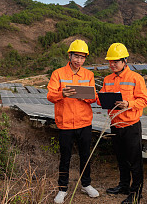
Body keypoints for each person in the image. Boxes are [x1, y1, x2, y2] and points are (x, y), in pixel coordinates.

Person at [47, 39, 99, 204]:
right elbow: (50, 96)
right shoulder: (58, 74)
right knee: (65, 157)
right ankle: (62, 189)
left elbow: (94, 97)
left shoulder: (88, 75)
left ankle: (86, 184)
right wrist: (62, 93)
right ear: (70, 55)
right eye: (76, 56)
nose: (79, 60)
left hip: (84, 122)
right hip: (66, 123)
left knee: (85, 155)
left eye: (82, 57)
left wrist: (87, 97)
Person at [99, 43, 147, 204]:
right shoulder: (107, 79)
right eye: (110, 61)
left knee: (135, 162)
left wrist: (128, 104)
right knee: (121, 159)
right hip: (115, 125)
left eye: (116, 61)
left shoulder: (136, 78)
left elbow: (143, 101)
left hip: (131, 126)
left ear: (125, 61)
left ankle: (136, 194)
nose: (112, 64)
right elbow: (102, 98)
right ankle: (124, 185)